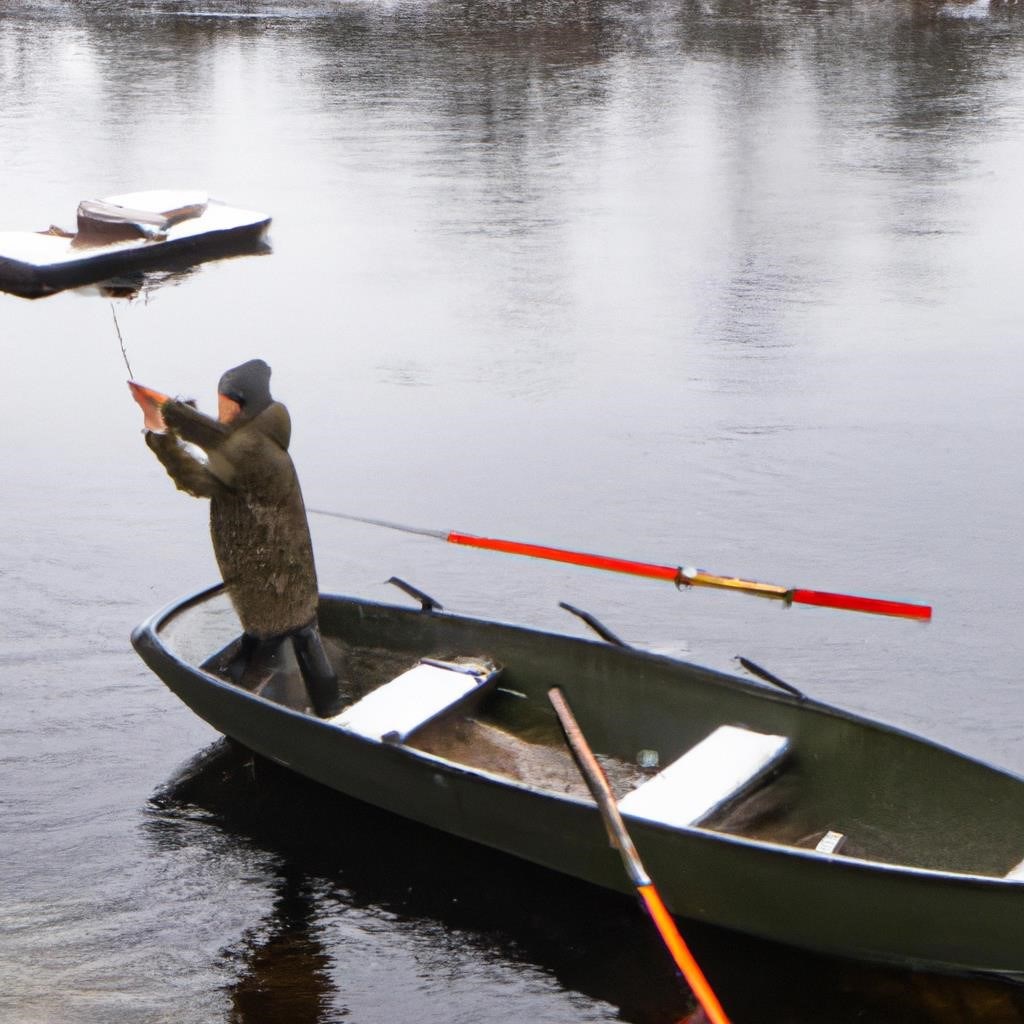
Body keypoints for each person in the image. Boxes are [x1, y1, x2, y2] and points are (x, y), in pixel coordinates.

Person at [132, 359, 340, 717]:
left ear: (240, 404)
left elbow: (197, 481)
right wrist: (167, 412)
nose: (219, 411)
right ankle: (332, 711)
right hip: (291, 570)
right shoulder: (264, 431)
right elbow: (215, 437)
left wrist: (161, 427)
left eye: (223, 404)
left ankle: (235, 709)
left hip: (265, 576)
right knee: (305, 638)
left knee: (257, 643)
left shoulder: (248, 451)